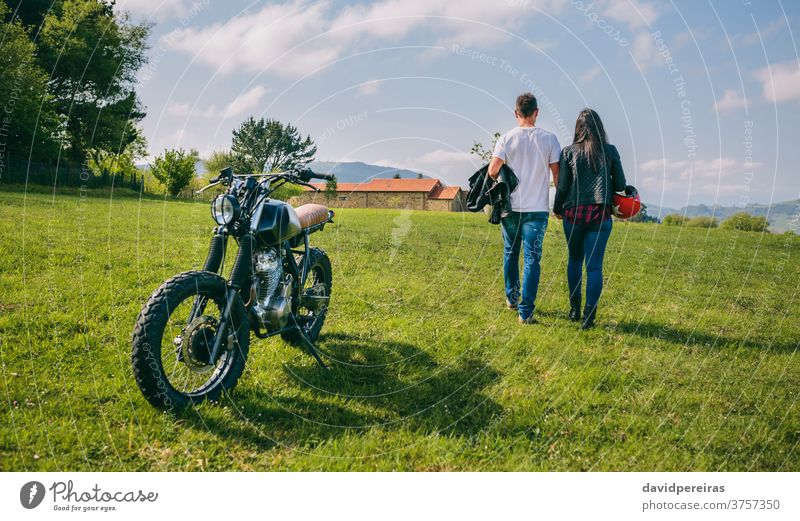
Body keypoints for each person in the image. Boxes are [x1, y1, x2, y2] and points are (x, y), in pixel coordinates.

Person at [488, 93, 561, 324]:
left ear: (516, 113)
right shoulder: (550, 139)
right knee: (532, 259)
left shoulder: (506, 139)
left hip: (511, 208)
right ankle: (526, 312)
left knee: (510, 252)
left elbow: (492, 171)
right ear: (536, 112)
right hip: (537, 209)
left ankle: (511, 298)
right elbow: (557, 177)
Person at [553, 109, 627, 330]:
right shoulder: (610, 151)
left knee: (575, 260)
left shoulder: (568, 152)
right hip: (600, 214)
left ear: (578, 128)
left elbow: (563, 186)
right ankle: (589, 317)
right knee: (594, 267)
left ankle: (574, 309)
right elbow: (621, 185)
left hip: (573, 214)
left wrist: (557, 209)